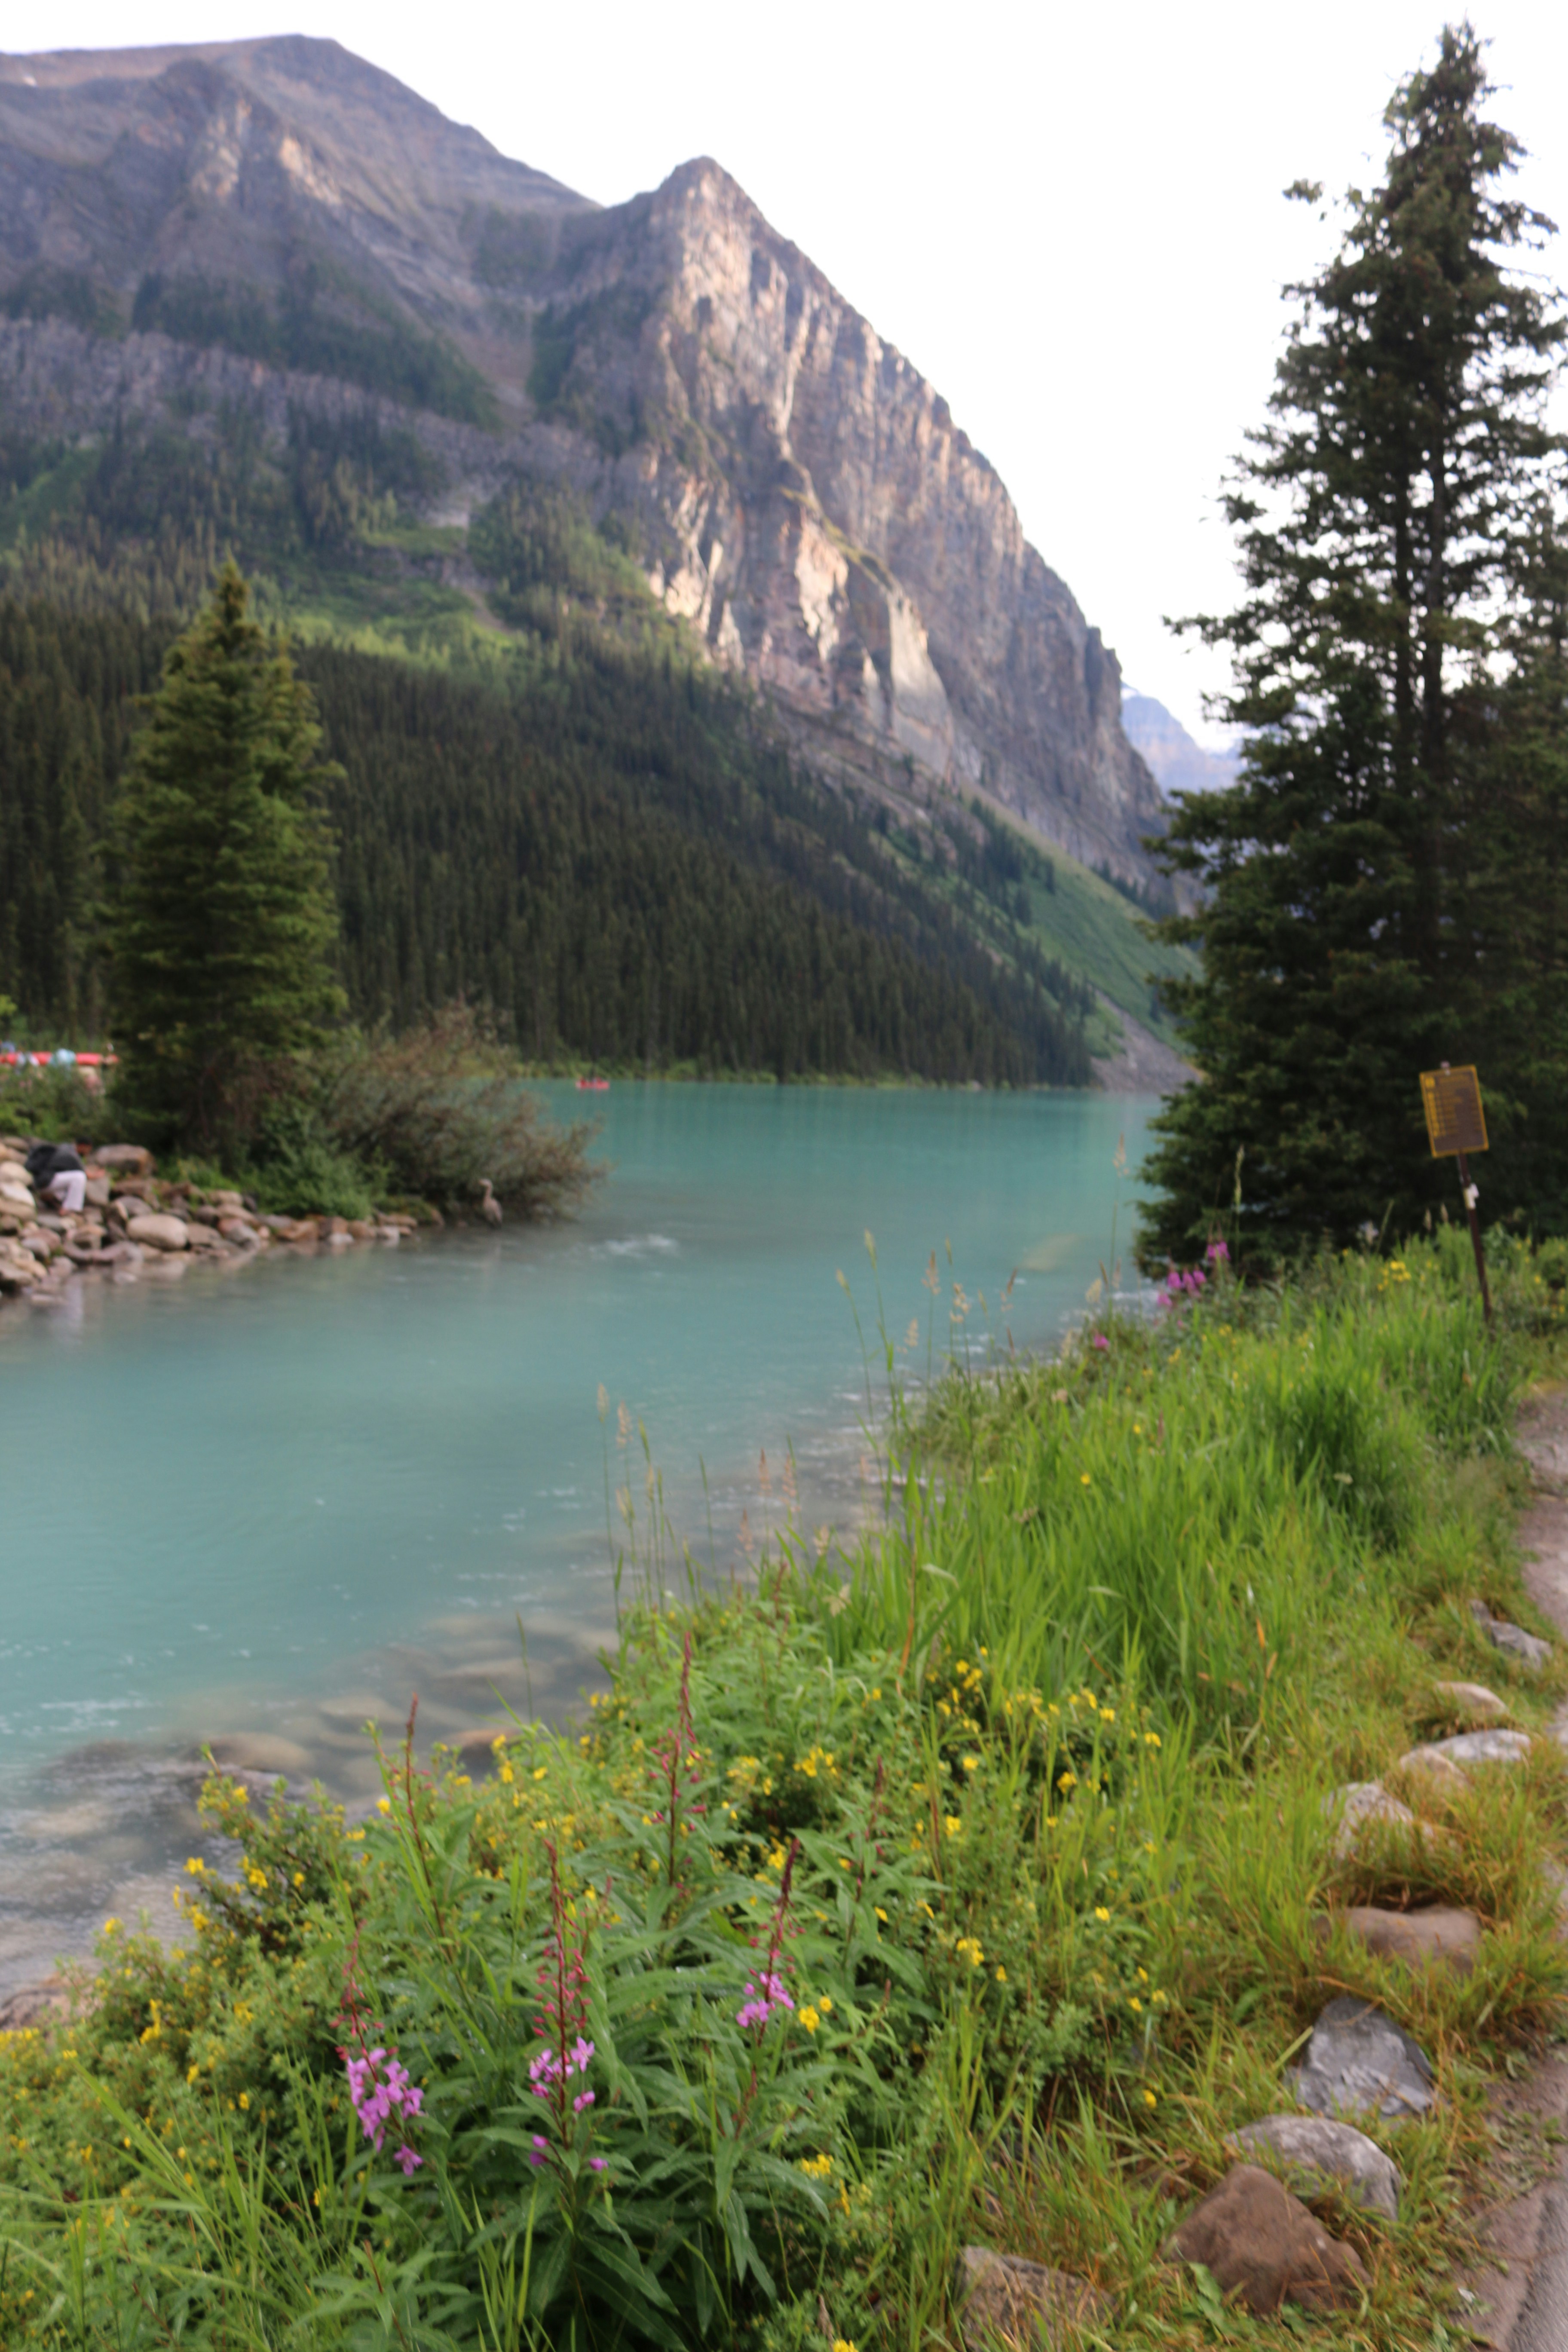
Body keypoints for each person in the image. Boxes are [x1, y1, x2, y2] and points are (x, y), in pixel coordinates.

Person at [24, 1139, 86, 1218]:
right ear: (84, 1146)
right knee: (80, 1177)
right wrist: (98, 1174)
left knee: (71, 1181)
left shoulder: (62, 1148)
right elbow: (85, 1173)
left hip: (39, 1181)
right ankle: (69, 1209)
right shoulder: (71, 1153)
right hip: (45, 1182)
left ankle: (51, 1201)